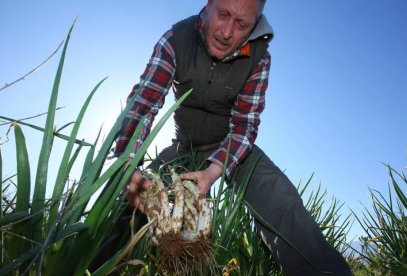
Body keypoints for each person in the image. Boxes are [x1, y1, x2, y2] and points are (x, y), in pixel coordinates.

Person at [114, 0, 352, 275]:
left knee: (281, 201)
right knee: (128, 203)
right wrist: (129, 164)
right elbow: (144, 104)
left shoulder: (259, 56)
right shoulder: (176, 39)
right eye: (223, 14)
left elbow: (244, 125)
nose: (226, 32)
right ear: (209, 4)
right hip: (183, 146)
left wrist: (214, 171)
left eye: (241, 24)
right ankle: (93, 265)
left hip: (231, 145)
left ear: (256, 22)